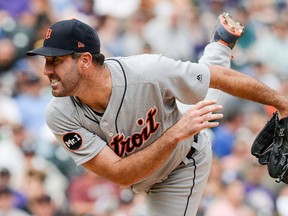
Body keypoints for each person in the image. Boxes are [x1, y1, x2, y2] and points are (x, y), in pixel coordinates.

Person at [26, 14, 288, 216]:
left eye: (56, 61)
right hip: (169, 135)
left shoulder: (147, 71)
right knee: (195, 104)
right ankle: (220, 45)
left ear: (84, 60)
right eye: (46, 61)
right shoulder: (60, 114)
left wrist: (282, 104)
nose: (47, 69)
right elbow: (121, 175)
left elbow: (218, 78)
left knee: (201, 92)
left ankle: (218, 50)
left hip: (181, 165)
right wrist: (176, 132)